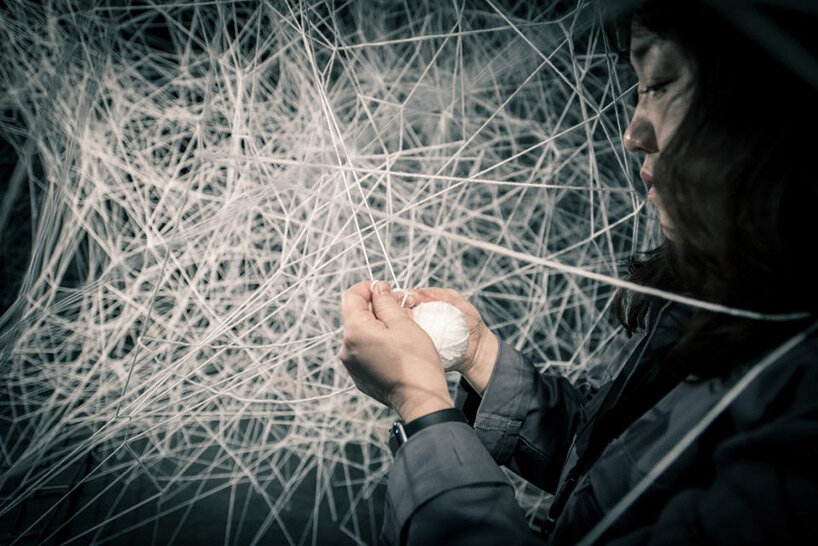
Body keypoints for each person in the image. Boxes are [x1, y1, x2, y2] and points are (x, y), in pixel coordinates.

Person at [338, 1, 818, 544]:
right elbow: (612, 465)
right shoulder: (728, 297)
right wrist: (477, 356)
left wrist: (422, 408)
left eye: (658, 83)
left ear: (772, 109)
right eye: (638, 86)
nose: (633, 132)